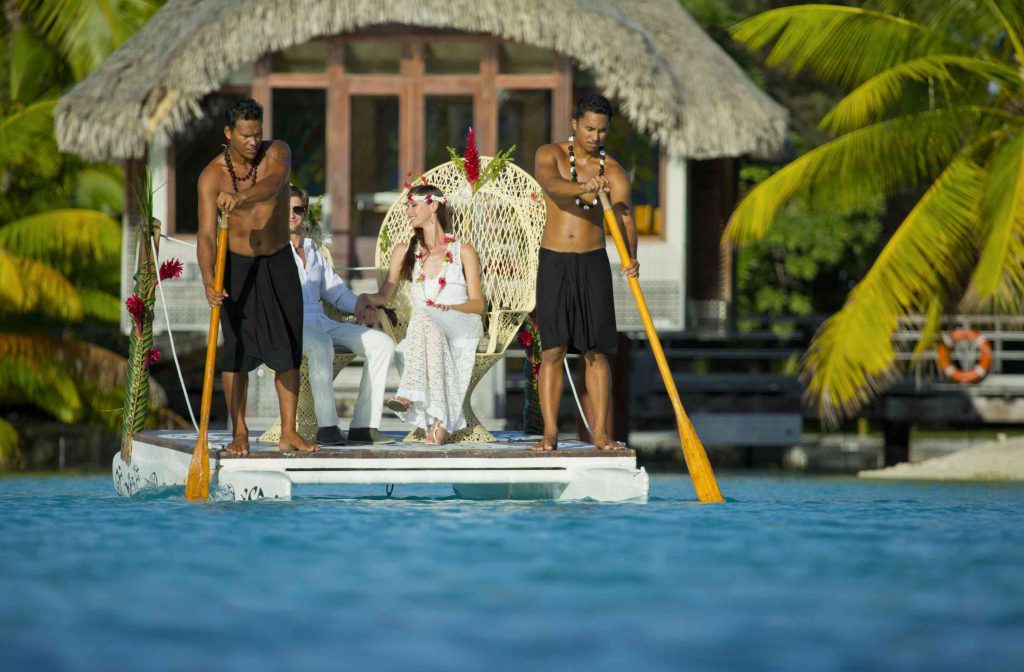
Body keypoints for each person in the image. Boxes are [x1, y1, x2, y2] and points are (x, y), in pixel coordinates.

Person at [197, 97, 317, 456]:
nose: (253, 142)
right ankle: (240, 432)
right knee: (236, 352)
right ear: (228, 133)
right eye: (245, 135)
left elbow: (276, 184)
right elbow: (205, 235)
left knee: (288, 347)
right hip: (236, 265)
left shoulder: (276, 152)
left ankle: (289, 432)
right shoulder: (211, 176)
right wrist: (208, 278)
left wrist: (242, 197)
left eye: (257, 134)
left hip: (278, 259)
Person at [531, 92, 639, 451]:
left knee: (597, 352)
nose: (595, 136)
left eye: (603, 131)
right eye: (590, 128)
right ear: (575, 124)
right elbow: (553, 186)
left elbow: (624, 218)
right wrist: (585, 188)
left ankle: (602, 434)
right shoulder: (551, 154)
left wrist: (631, 257)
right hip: (555, 259)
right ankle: (550, 434)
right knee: (553, 350)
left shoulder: (615, 173)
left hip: (593, 261)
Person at [364, 184, 484, 445]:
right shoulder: (404, 251)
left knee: (424, 315)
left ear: (433, 207)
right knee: (425, 317)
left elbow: (477, 304)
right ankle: (440, 425)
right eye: (407, 206)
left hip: (461, 322)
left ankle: (408, 393)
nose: (407, 212)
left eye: (413, 205)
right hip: (428, 327)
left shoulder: (463, 251)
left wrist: (451, 309)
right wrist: (365, 299)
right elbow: (385, 295)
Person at [288, 185, 396, 446]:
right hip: (290, 323)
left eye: (298, 209)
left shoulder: (314, 251)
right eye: (285, 209)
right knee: (321, 344)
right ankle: (327, 427)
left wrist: (360, 303)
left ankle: (364, 426)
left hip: (321, 320)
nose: (291, 215)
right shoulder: (272, 252)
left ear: (304, 212)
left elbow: (336, 293)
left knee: (382, 344)